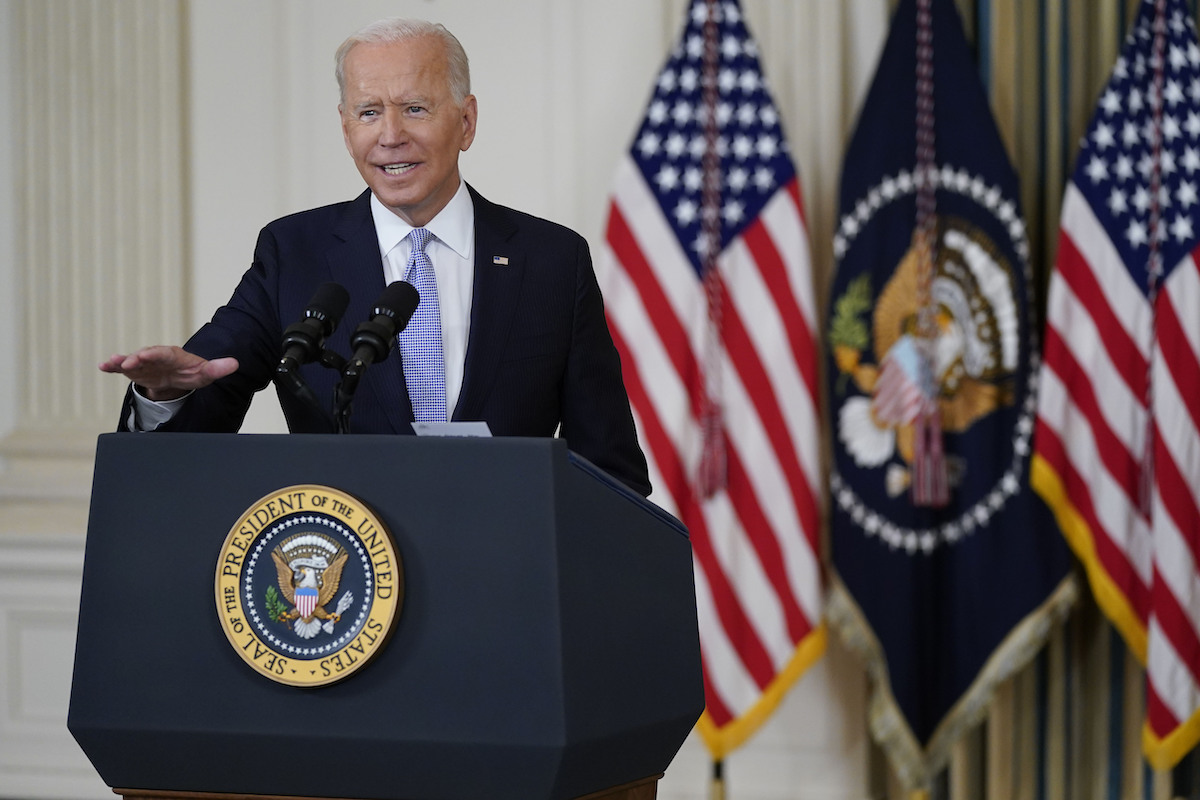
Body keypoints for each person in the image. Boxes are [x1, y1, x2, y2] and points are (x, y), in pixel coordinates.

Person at [99, 18, 651, 497]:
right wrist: (162, 396)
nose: (390, 136)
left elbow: (609, 469)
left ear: (466, 121)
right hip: (345, 590)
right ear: (345, 128)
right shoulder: (294, 253)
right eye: (368, 113)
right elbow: (203, 404)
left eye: (414, 108)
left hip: (506, 588)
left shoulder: (552, 261)